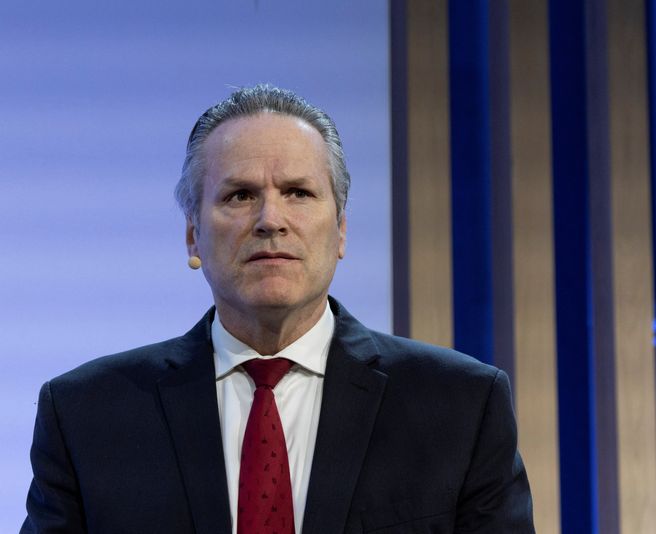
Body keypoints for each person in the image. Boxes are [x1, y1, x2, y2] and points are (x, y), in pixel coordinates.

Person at [21, 84, 535, 533]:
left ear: (341, 232)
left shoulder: (461, 406)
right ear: (192, 234)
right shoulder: (85, 415)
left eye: (298, 192)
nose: (271, 219)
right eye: (240, 195)